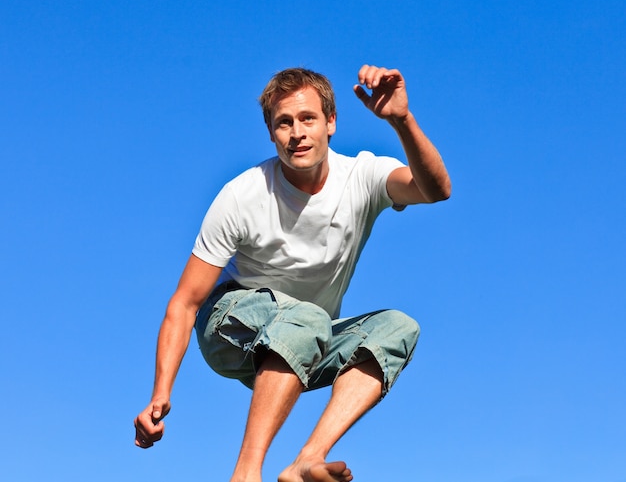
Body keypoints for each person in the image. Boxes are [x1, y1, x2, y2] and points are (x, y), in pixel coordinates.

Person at [134, 64, 451, 482]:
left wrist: (401, 121)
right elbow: (185, 302)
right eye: (284, 123)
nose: (296, 132)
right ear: (271, 133)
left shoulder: (362, 176)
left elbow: (435, 190)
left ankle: (307, 458)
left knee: (398, 327)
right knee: (308, 318)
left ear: (331, 122)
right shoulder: (242, 195)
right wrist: (160, 394)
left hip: (302, 345)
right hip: (230, 325)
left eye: (307, 118)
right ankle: (246, 472)